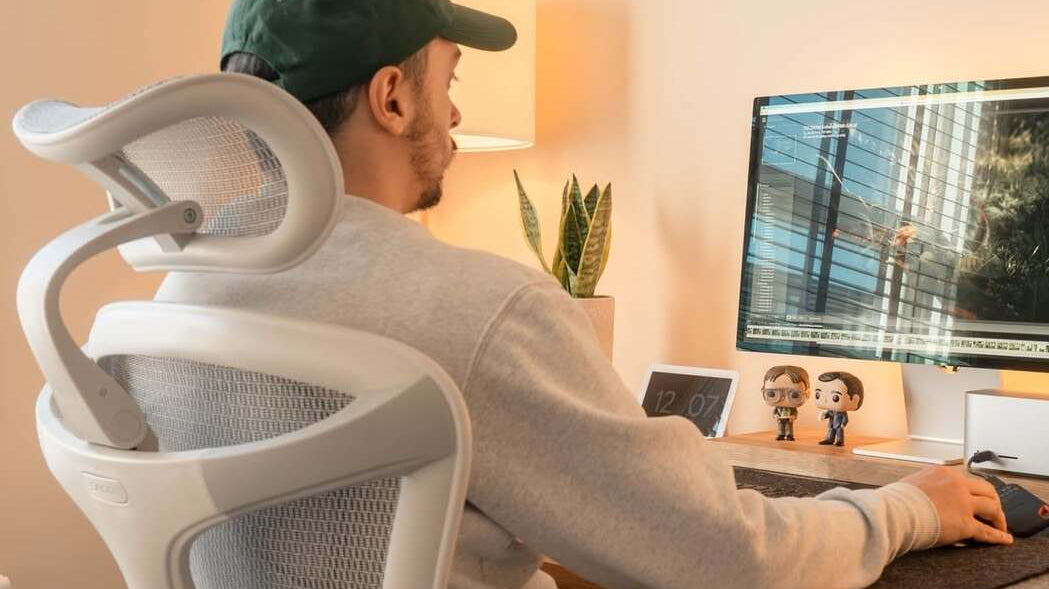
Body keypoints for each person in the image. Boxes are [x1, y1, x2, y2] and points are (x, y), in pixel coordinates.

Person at [156, 1, 1014, 587]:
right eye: (449, 82)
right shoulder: (475, 309)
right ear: (391, 97)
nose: (453, 117)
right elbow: (726, 557)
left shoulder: (181, 292)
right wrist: (907, 507)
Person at [761, 365, 810, 441]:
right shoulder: (778, 408)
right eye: (772, 394)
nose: (783, 398)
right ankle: (781, 434)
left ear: (808, 393)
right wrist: (775, 416)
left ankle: (789, 435)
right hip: (780, 418)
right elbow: (775, 412)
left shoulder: (792, 409)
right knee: (780, 426)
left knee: (788, 426)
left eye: (794, 395)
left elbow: (795, 412)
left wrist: (793, 416)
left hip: (788, 418)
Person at [816, 371, 865, 447]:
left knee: (839, 433)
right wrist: (824, 416)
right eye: (818, 395)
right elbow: (829, 414)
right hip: (832, 424)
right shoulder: (831, 410)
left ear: (855, 399)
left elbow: (845, 419)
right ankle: (829, 439)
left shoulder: (842, 412)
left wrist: (843, 424)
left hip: (839, 425)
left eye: (835, 397)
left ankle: (840, 441)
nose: (826, 400)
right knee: (830, 431)